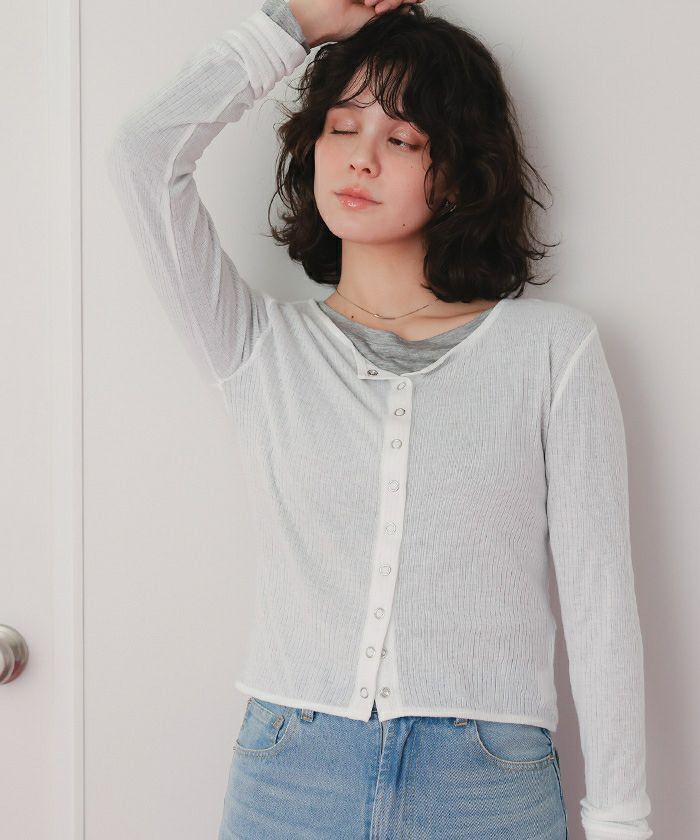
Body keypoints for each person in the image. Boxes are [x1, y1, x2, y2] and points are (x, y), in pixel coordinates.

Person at [105, 1, 653, 838]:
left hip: (488, 785)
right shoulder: (259, 347)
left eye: (401, 139)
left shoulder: (552, 352)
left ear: (458, 174)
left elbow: (601, 607)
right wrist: (295, 24)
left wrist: (620, 821)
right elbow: (142, 154)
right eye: (342, 127)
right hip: (290, 774)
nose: (361, 158)